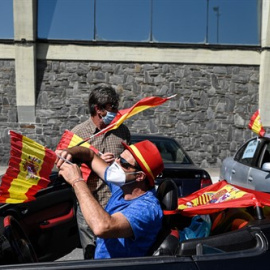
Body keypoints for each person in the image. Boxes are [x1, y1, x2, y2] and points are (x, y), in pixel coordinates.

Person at [55, 139, 164, 258]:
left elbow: (102, 227)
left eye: (123, 162)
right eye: (118, 157)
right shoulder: (124, 188)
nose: (116, 162)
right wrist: (69, 152)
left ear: (139, 176)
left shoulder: (146, 208)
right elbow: (90, 155)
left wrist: (77, 180)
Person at [71, 84, 130, 259]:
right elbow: (66, 168)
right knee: (91, 255)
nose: (116, 112)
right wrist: (95, 163)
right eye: (113, 108)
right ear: (99, 109)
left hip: (117, 203)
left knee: (115, 254)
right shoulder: (78, 135)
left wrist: (120, 162)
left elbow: (130, 163)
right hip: (90, 203)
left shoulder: (122, 131)